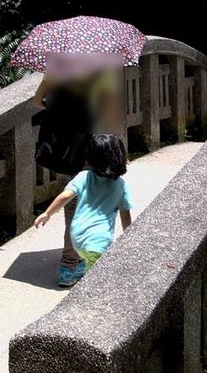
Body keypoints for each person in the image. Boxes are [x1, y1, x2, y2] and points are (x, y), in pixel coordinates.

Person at [32, 54, 124, 286]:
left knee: (71, 203)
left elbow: (36, 102)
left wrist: (58, 110)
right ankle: (75, 260)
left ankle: (70, 264)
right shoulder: (100, 73)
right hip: (91, 149)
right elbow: (110, 116)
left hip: (64, 149)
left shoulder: (56, 69)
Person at [33, 134, 132, 283]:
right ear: (120, 157)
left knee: (88, 258)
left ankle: (74, 270)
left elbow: (65, 196)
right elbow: (125, 217)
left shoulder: (83, 176)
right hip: (99, 238)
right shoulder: (121, 185)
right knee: (98, 279)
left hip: (77, 235)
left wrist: (47, 213)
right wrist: (130, 238)